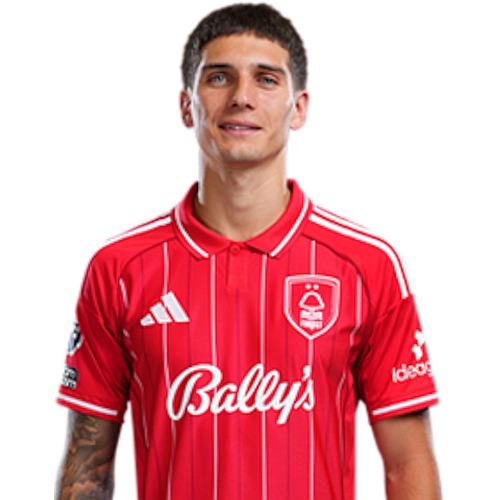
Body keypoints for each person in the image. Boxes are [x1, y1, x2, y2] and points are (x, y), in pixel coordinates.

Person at [54, 2, 443, 499]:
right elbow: (88, 470)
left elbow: (408, 468)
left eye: (265, 79)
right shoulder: (117, 268)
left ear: (299, 108)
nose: (241, 97)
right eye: (219, 78)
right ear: (186, 106)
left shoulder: (369, 264)